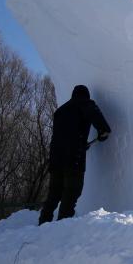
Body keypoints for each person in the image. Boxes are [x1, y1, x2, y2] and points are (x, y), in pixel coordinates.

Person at [39, 85, 111, 225]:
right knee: (71, 192)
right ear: (86, 95)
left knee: (54, 193)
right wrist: (103, 130)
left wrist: (81, 144)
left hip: (55, 158)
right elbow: (97, 118)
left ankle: (43, 224)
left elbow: (65, 135)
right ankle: (63, 225)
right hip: (73, 158)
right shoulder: (85, 103)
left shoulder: (60, 111)